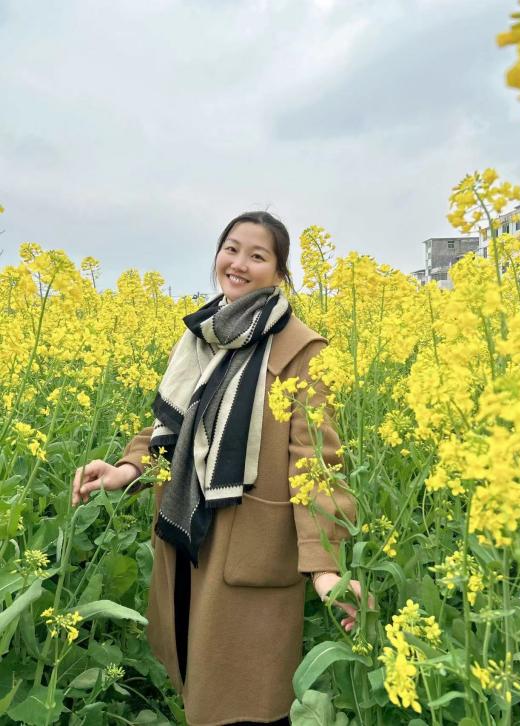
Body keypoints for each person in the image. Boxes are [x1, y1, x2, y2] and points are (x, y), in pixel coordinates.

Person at [71, 211, 365, 726]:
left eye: (258, 255)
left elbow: (316, 464)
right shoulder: (201, 335)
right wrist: (125, 470)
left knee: (245, 697)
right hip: (190, 538)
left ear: (280, 272)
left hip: (249, 545)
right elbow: (170, 427)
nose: (239, 263)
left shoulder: (302, 350)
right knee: (195, 674)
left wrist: (326, 568)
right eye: (231, 249)